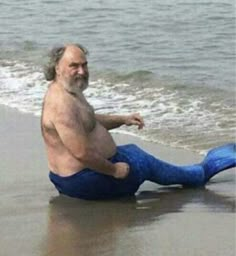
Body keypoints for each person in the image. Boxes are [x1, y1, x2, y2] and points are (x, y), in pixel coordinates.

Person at [41, 43, 236, 200]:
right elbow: (81, 152)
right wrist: (114, 170)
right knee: (140, 160)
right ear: (57, 68)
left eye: (84, 64)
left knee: (132, 152)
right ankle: (198, 174)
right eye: (74, 66)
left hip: (82, 176)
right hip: (84, 182)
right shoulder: (61, 106)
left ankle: (192, 171)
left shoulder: (68, 91)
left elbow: (87, 121)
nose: (82, 71)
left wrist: (122, 119)